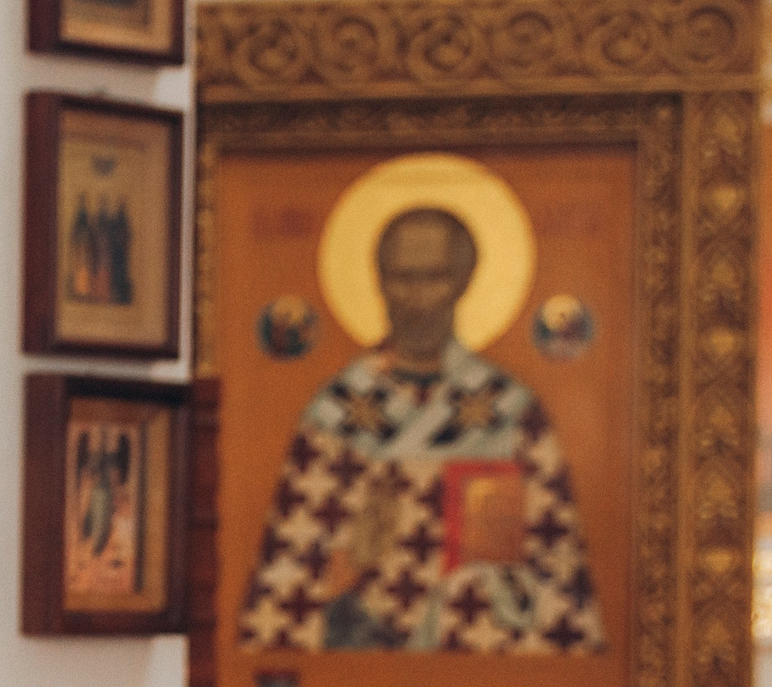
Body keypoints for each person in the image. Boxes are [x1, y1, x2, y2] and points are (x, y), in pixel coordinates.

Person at [237, 205, 606, 654]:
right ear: (378, 282)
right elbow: (286, 579)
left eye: (434, 277)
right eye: (401, 277)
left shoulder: (509, 411)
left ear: (464, 282)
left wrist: (477, 594)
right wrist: (350, 566)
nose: (415, 297)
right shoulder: (336, 412)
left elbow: (557, 571)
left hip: (480, 660)